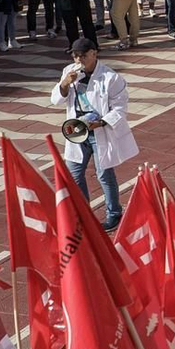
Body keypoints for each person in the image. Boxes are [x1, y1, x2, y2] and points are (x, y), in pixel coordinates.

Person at [53, 38, 137, 230]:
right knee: (74, 174)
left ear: (94, 53)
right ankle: (84, 214)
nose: (78, 60)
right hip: (76, 129)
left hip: (99, 131)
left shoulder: (110, 78)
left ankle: (114, 213)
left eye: (82, 55)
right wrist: (64, 84)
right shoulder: (69, 72)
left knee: (104, 174)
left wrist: (99, 123)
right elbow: (56, 99)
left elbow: (120, 108)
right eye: (75, 56)